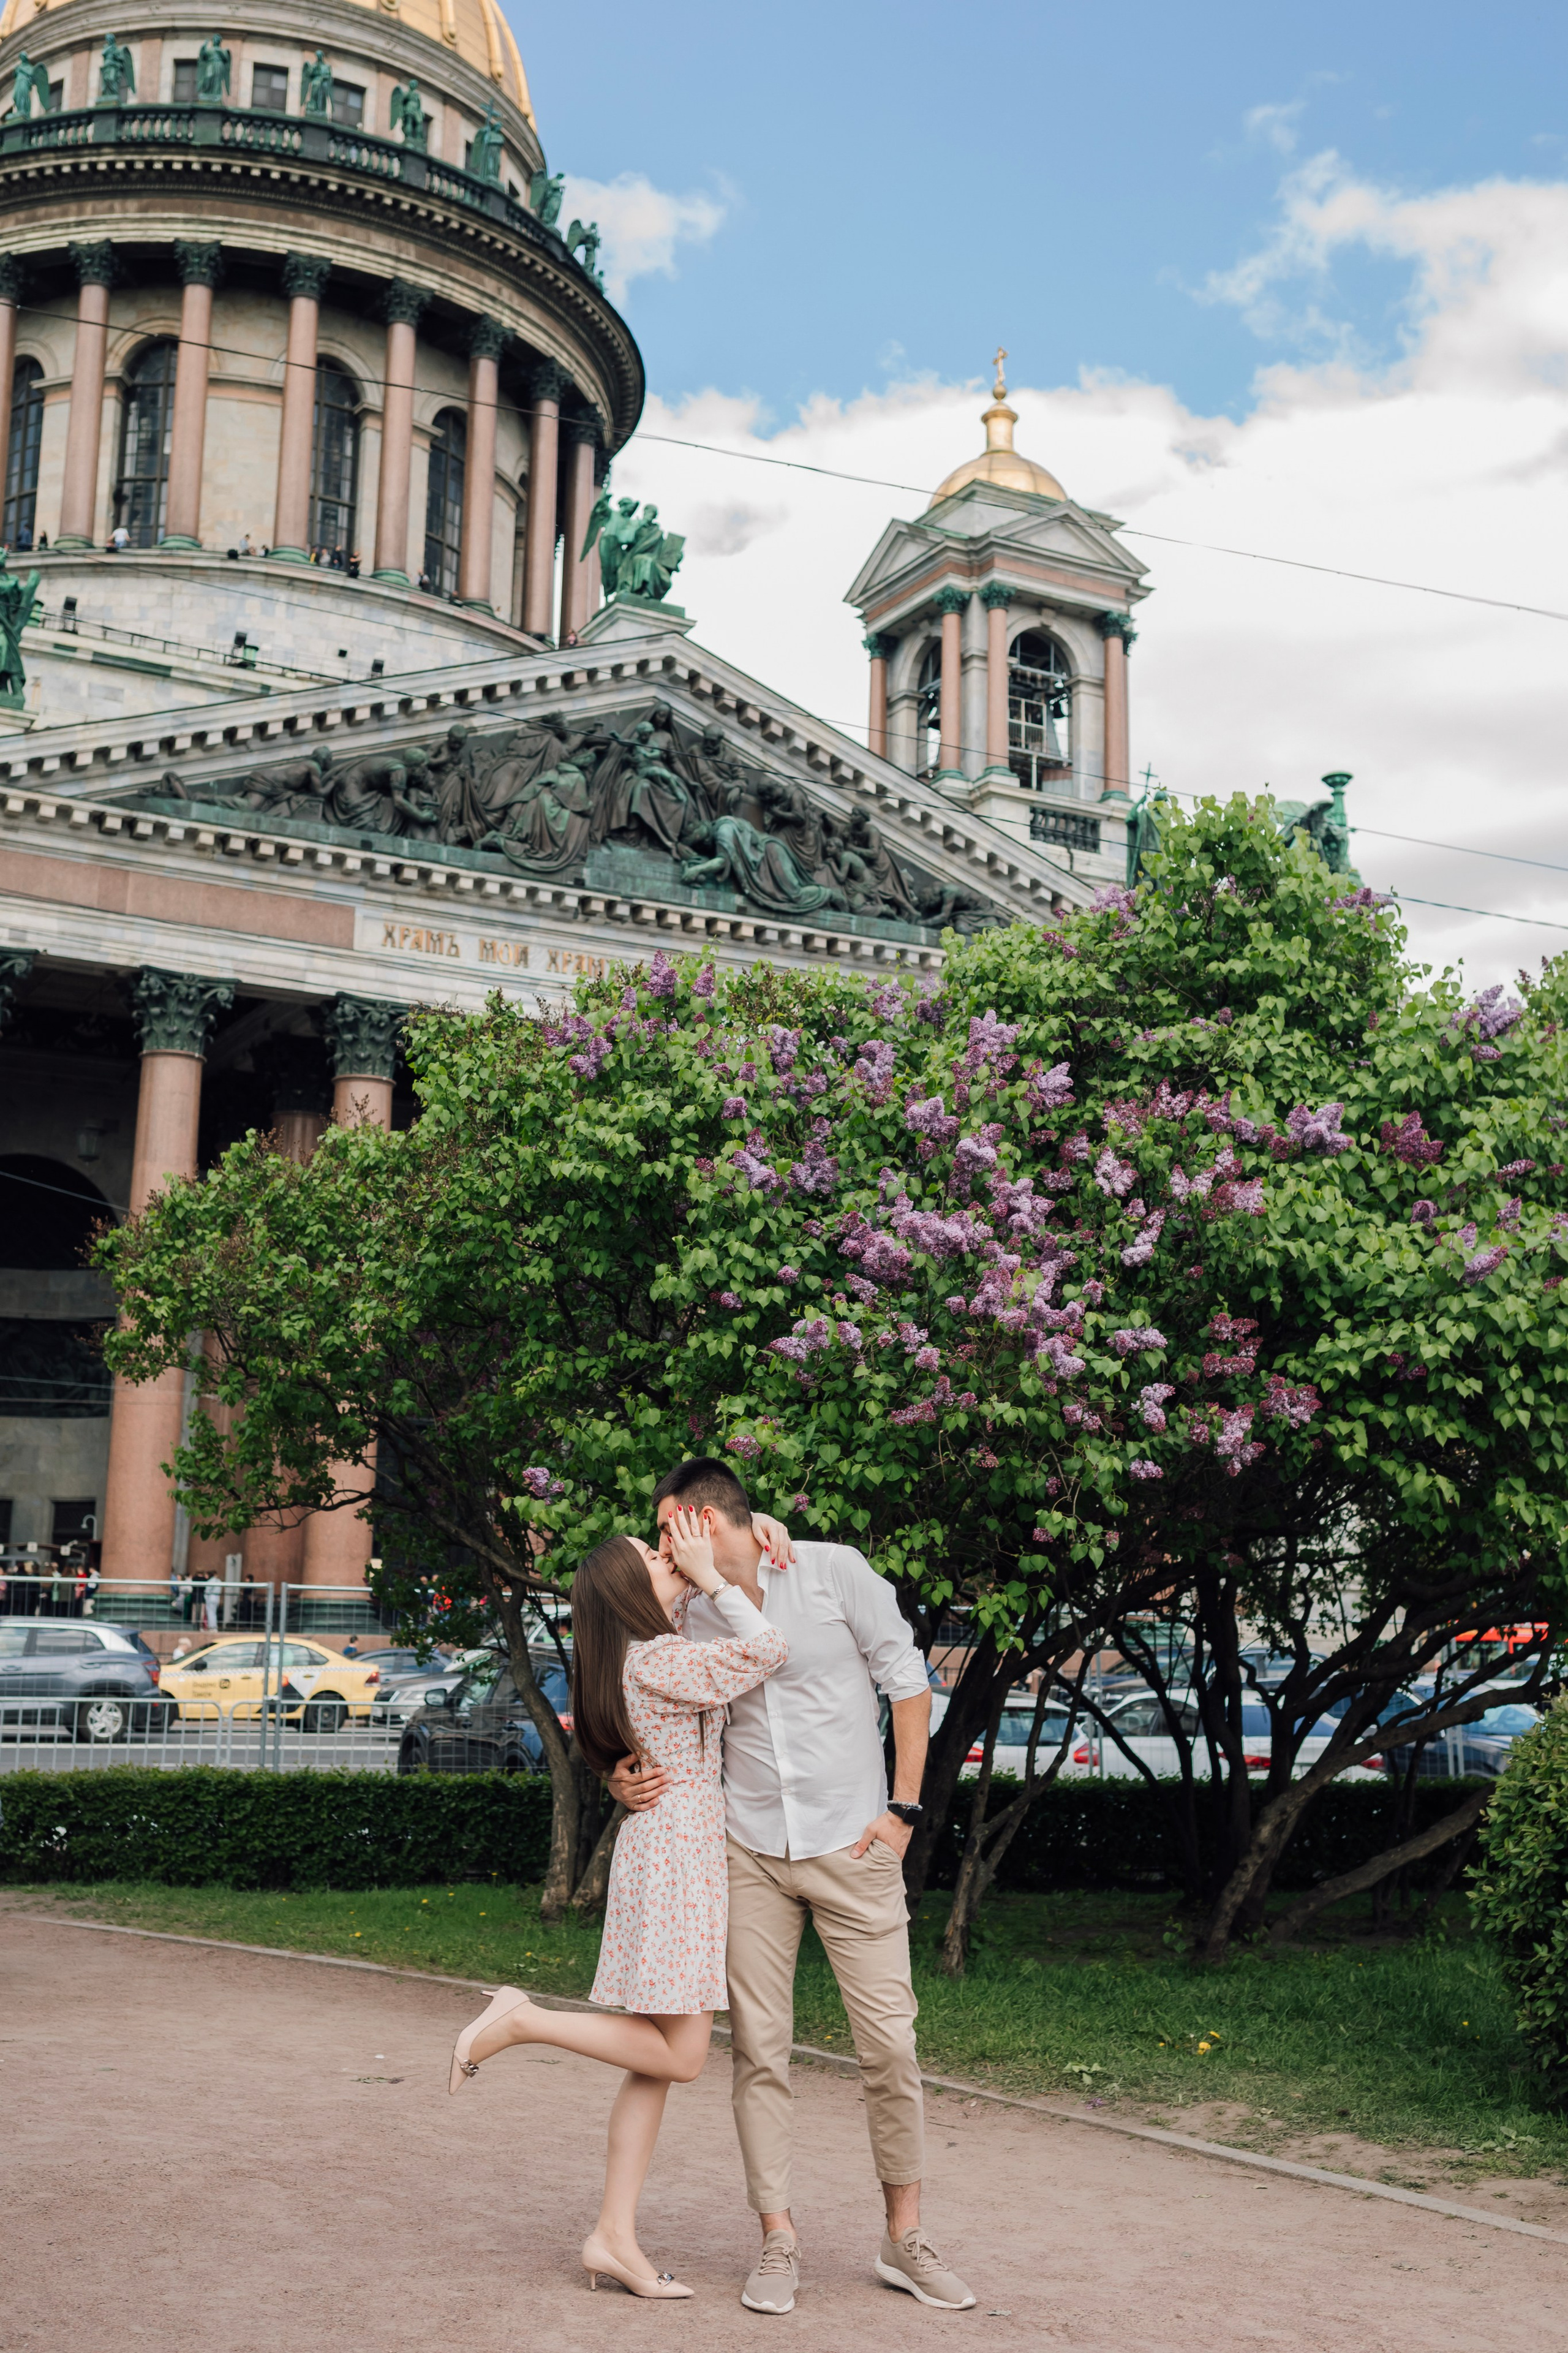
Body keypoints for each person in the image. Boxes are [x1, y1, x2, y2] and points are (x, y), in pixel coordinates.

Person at [611, 1459, 976, 2314]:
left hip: (854, 1845)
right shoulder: (686, 1608)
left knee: (890, 2046)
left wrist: (904, 1810)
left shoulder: (833, 1570)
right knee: (759, 2050)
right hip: (746, 1853)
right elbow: (628, 1682)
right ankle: (777, 2237)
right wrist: (614, 1772)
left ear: (703, 1521)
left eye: (666, 1528)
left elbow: (909, 1681)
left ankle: (904, 2237)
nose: (661, 1546)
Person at [446, 1509, 788, 2298]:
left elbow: (713, 1583)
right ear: (631, 1594)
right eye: (655, 1559)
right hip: (677, 1861)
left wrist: (753, 1530)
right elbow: (768, 1649)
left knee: (653, 2065)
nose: (671, 1557)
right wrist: (712, 1576)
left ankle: (613, 2236)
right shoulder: (657, 1657)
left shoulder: (644, 1650)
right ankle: (522, 2020)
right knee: (683, 2058)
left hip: (667, 1852)